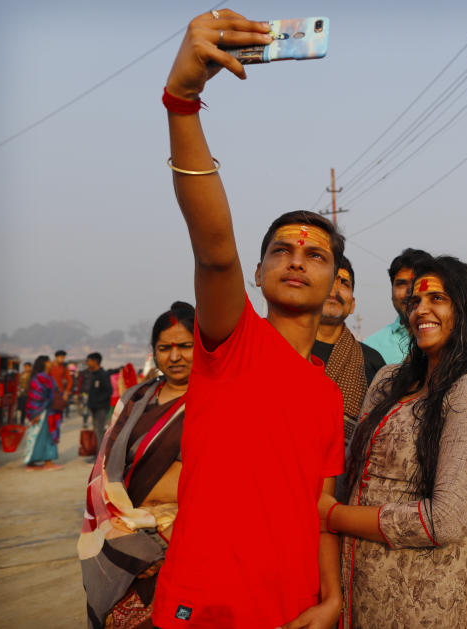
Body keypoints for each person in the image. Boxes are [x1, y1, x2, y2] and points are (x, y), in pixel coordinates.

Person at [153, 10, 344, 628]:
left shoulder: (326, 394)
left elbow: (319, 506)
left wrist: (331, 596)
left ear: (336, 282)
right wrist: (182, 101)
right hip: (202, 606)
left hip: (291, 609)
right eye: (281, 251)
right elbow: (213, 248)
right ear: (256, 275)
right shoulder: (230, 342)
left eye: (315, 254)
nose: (297, 259)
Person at [323, 256, 467, 628]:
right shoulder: (389, 380)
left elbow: (446, 519)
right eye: (415, 302)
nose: (421, 309)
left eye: (437, 299)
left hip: (425, 594)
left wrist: (332, 515)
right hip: (356, 581)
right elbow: (353, 473)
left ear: (466, 307)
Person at [79, 302, 195, 629]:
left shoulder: (217, 400)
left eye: (185, 346)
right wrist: (124, 532)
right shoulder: (134, 399)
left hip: (188, 540)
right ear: (154, 352)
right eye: (164, 348)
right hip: (124, 533)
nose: (174, 357)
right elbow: (103, 471)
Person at [311, 256, 386, 447]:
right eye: (328, 281)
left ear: (352, 304)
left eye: (344, 283)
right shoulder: (285, 348)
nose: (334, 290)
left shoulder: (372, 361)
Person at [364, 247, 433, 365]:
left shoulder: (454, 341)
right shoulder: (369, 348)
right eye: (401, 284)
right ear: (391, 292)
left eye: (418, 283)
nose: (410, 291)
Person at [22, 355, 62, 470]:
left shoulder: (47, 377)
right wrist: (35, 414)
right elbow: (35, 397)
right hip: (41, 412)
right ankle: (45, 462)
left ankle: (38, 462)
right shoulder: (39, 378)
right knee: (43, 437)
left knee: (43, 436)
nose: (51, 363)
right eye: (49, 361)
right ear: (44, 363)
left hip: (48, 411)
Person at [85, 352, 113, 448]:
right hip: (94, 408)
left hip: (101, 408)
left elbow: (109, 391)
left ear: (95, 361)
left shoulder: (103, 375)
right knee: (97, 431)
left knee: (100, 431)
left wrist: (97, 401)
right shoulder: (92, 374)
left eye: (88, 361)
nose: (87, 363)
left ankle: (100, 457)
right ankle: (98, 454)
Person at [49, 349, 73, 416]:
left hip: (60, 393)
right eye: (61, 357)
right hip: (49, 392)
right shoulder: (49, 366)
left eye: (64, 358)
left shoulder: (64, 367)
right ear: (56, 357)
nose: (62, 359)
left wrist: (66, 391)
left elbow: (70, 380)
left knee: (58, 413)